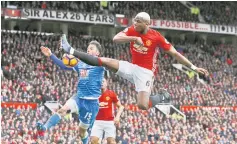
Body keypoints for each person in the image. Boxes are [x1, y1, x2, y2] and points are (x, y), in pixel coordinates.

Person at [60, 12, 209, 111]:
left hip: (145, 73)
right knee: (104, 61)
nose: (135, 23)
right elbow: (115, 38)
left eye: (138, 21)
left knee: (142, 105)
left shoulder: (156, 37)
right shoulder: (132, 30)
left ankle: (163, 96)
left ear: (146, 24)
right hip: (132, 67)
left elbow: (175, 53)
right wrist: (133, 38)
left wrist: (193, 67)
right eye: (135, 21)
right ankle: (71, 50)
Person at [37, 40, 105, 144]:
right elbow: (64, 65)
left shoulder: (100, 64)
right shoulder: (81, 63)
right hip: (78, 98)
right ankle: (44, 128)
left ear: (97, 53)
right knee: (62, 110)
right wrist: (51, 55)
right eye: (88, 48)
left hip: (91, 104)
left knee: (82, 132)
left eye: (91, 48)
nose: (88, 50)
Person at [90, 78, 124, 144]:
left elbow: (121, 106)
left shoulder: (111, 94)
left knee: (111, 142)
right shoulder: (94, 95)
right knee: (93, 141)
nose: (101, 83)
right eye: (100, 81)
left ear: (106, 84)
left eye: (103, 81)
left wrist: (117, 117)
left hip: (109, 121)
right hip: (97, 121)